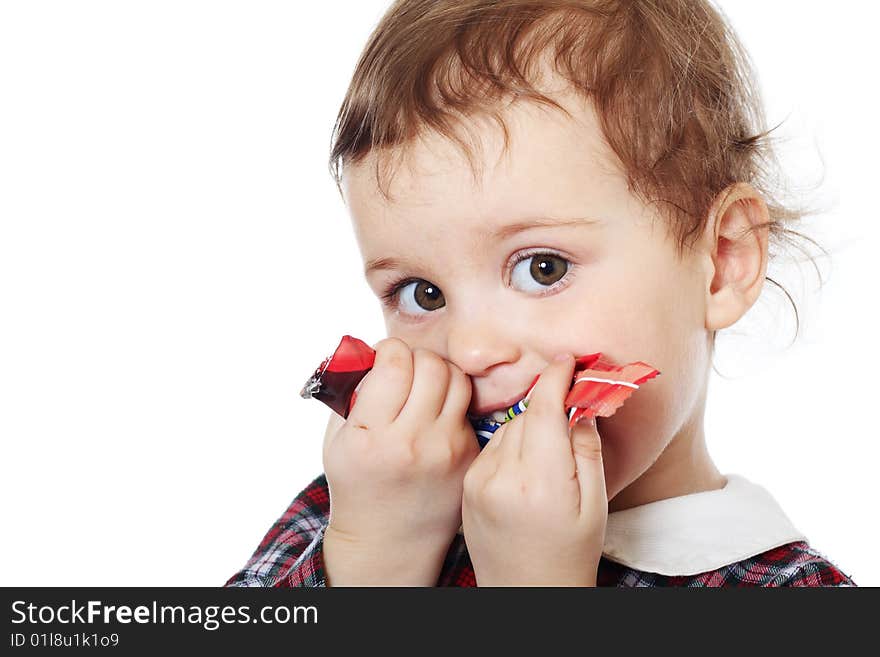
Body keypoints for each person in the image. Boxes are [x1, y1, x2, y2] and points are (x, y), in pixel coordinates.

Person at [226, 0, 855, 587]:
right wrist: (374, 557)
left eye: (543, 269)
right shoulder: (360, 507)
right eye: (422, 293)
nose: (470, 350)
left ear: (721, 263)